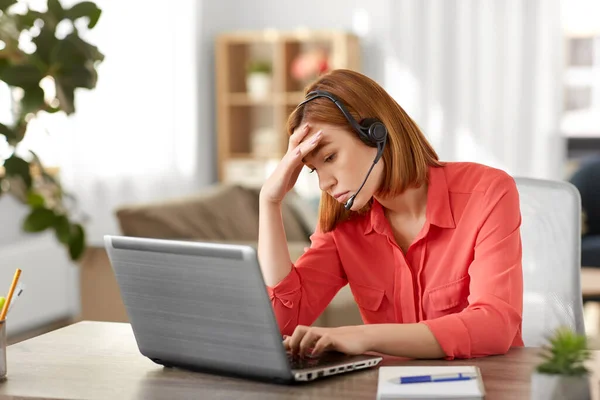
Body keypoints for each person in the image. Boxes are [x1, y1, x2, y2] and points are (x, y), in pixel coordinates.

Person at [258, 69, 523, 361]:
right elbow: (281, 323)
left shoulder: (486, 192)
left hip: (486, 383)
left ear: (377, 134)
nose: (324, 183)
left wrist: (362, 336)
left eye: (330, 157)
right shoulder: (343, 225)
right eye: (315, 169)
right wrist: (269, 202)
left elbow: (495, 326)